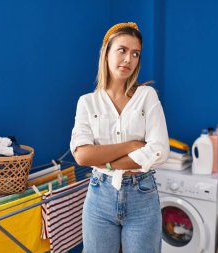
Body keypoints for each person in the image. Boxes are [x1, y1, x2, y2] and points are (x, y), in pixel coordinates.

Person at [70, 22, 169, 253]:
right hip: (99, 197)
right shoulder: (87, 102)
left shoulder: (146, 96)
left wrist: (104, 161)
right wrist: (132, 146)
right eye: (122, 50)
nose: (128, 59)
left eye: (135, 54)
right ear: (106, 53)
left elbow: (159, 150)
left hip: (142, 197)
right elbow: (82, 155)